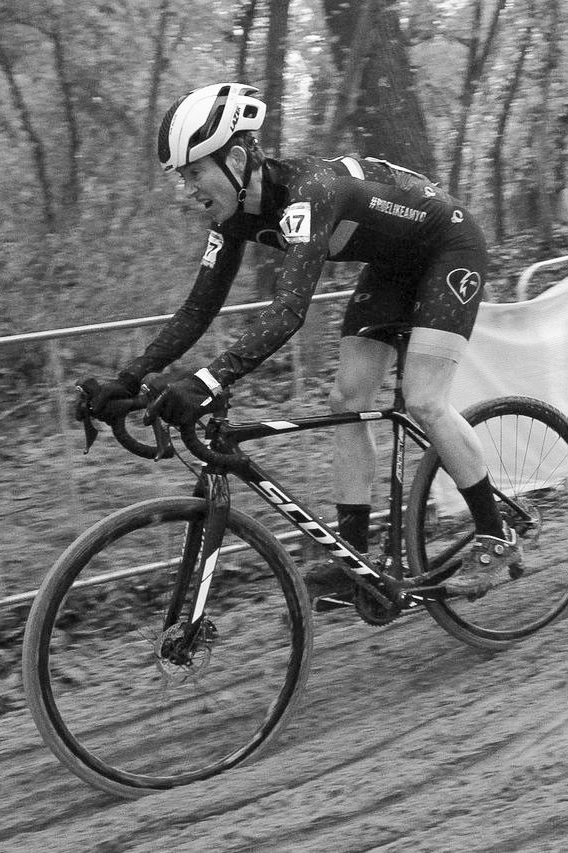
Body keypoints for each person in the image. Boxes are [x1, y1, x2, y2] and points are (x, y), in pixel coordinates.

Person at [77, 82, 520, 600]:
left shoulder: (310, 191)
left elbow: (289, 313)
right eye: (182, 177)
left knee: (423, 397)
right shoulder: (234, 217)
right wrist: (128, 377)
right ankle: (355, 560)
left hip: (449, 246)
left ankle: (495, 533)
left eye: (195, 172)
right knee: (347, 399)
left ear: (237, 159)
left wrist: (207, 379)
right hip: (394, 266)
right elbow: (199, 309)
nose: (189, 188)